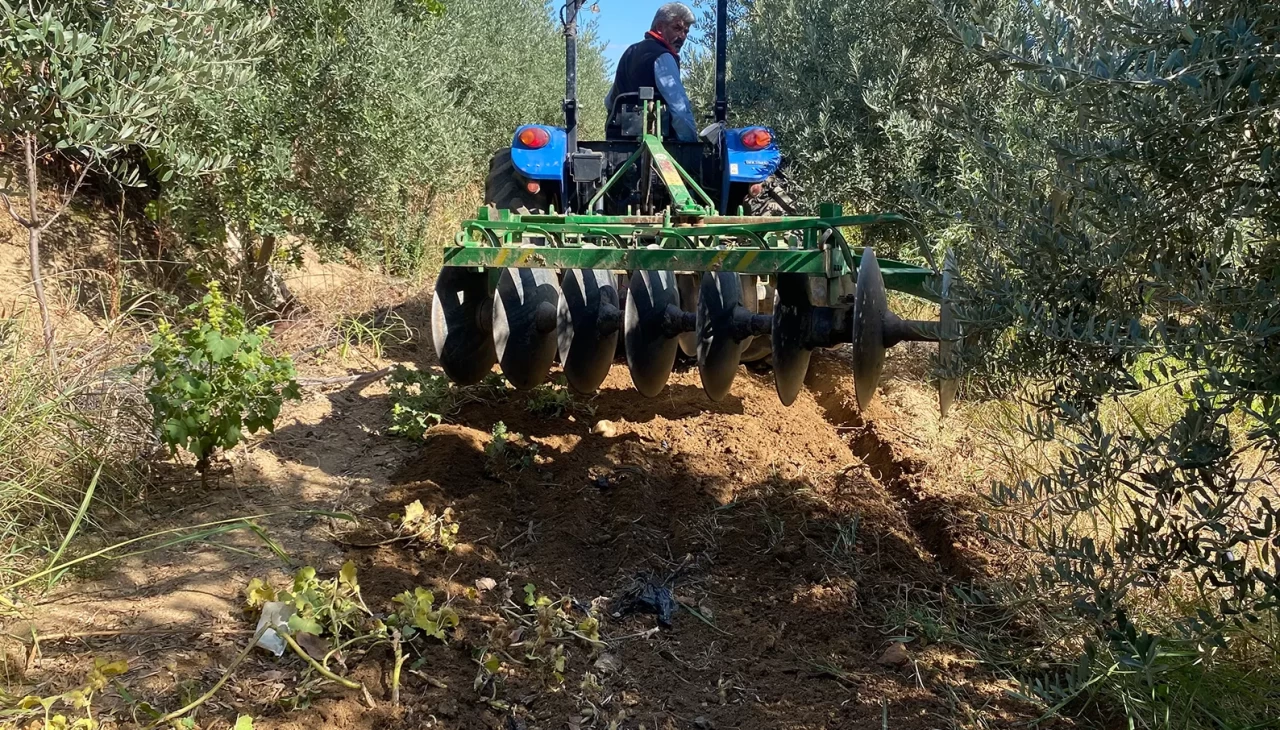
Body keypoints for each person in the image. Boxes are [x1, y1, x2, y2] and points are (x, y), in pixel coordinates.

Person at [605, 3, 698, 142]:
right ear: (660, 27)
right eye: (677, 28)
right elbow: (680, 110)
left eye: (686, 31)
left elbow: (609, 102)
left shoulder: (629, 52)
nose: (682, 36)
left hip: (618, 143)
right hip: (656, 146)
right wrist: (690, 146)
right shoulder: (663, 57)